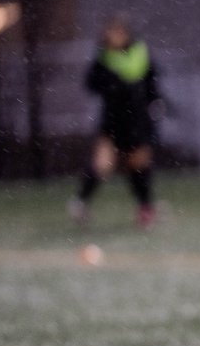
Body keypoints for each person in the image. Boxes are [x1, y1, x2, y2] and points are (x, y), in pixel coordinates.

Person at [68, 15, 162, 228]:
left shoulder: (140, 53)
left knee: (138, 164)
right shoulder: (103, 59)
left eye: (118, 31)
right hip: (112, 121)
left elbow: (152, 84)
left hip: (137, 121)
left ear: (127, 33)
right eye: (110, 31)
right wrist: (112, 83)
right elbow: (91, 84)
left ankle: (145, 208)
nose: (113, 35)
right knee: (101, 164)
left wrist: (155, 104)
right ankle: (80, 203)